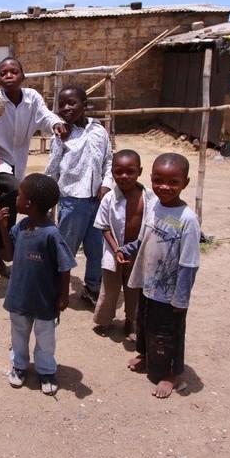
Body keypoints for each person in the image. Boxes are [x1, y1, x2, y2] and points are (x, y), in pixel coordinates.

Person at [120, 153, 200, 398]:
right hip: (147, 282)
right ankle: (145, 355)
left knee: (168, 332)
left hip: (170, 293)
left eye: (173, 182)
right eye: (158, 180)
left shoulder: (187, 219)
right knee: (144, 322)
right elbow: (146, 237)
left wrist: (181, 298)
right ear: (151, 178)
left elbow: (189, 263)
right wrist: (129, 248)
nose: (164, 187)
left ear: (185, 183)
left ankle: (171, 374)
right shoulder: (154, 204)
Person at [0, 57, 69, 279]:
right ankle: (4, 245)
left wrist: (55, 124)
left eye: (14, 71)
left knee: (12, 199)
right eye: (3, 72)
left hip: (19, 159)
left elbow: (45, 115)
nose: (9, 75)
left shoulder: (32, 98)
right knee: (13, 193)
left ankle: (2, 252)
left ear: (23, 76)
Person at [0, 173, 76, 395]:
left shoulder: (52, 234)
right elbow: (10, 256)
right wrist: (4, 228)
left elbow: (65, 266)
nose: (17, 198)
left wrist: (63, 296)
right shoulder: (21, 227)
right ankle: (20, 366)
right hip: (19, 297)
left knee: (45, 338)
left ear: (29, 203)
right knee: (18, 335)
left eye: (20, 194)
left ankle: (47, 370)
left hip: (43, 301)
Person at [44, 85, 113, 309]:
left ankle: (92, 288)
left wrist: (106, 185)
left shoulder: (99, 131)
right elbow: (52, 169)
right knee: (65, 249)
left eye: (72, 102)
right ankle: (55, 289)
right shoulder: (61, 135)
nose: (66, 108)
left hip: (97, 202)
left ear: (85, 103)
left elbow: (108, 162)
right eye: (61, 104)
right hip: (72, 202)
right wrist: (45, 200)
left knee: (96, 249)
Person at [92, 149, 156, 342]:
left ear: (140, 171)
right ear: (112, 172)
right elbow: (104, 227)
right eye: (118, 171)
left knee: (134, 290)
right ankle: (104, 320)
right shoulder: (109, 199)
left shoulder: (150, 198)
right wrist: (116, 249)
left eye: (130, 171)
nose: (124, 176)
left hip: (139, 255)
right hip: (114, 254)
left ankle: (131, 322)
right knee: (109, 291)